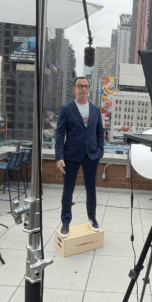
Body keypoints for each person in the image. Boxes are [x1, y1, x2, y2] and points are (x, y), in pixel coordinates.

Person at [55, 77, 105, 238]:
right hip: (71, 155)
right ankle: (65, 221)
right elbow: (59, 134)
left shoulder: (95, 110)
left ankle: (92, 217)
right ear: (74, 88)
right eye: (80, 86)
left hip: (91, 155)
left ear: (88, 89)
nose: (83, 89)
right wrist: (59, 157)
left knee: (91, 189)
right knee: (68, 190)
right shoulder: (66, 108)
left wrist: (100, 151)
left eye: (86, 86)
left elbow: (100, 132)